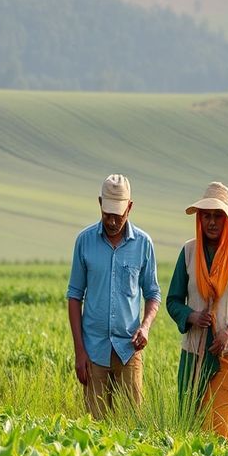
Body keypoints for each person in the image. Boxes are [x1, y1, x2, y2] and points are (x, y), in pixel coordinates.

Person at [166, 182, 228, 439]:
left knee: (222, 432)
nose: (211, 222)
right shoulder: (188, 252)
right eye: (206, 215)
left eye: (217, 216)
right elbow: (173, 301)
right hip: (193, 353)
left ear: (227, 220)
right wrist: (191, 316)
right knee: (190, 428)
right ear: (199, 218)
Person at [67, 174, 161, 419]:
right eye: (107, 213)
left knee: (133, 427)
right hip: (94, 350)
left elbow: (152, 293)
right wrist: (79, 351)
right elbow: (74, 296)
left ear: (130, 207)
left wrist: (146, 327)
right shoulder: (84, 241)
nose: (112, 221)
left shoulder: (143, 244)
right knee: (96, 427)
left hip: (129, 349)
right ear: (100, 203)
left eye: (118, 214)